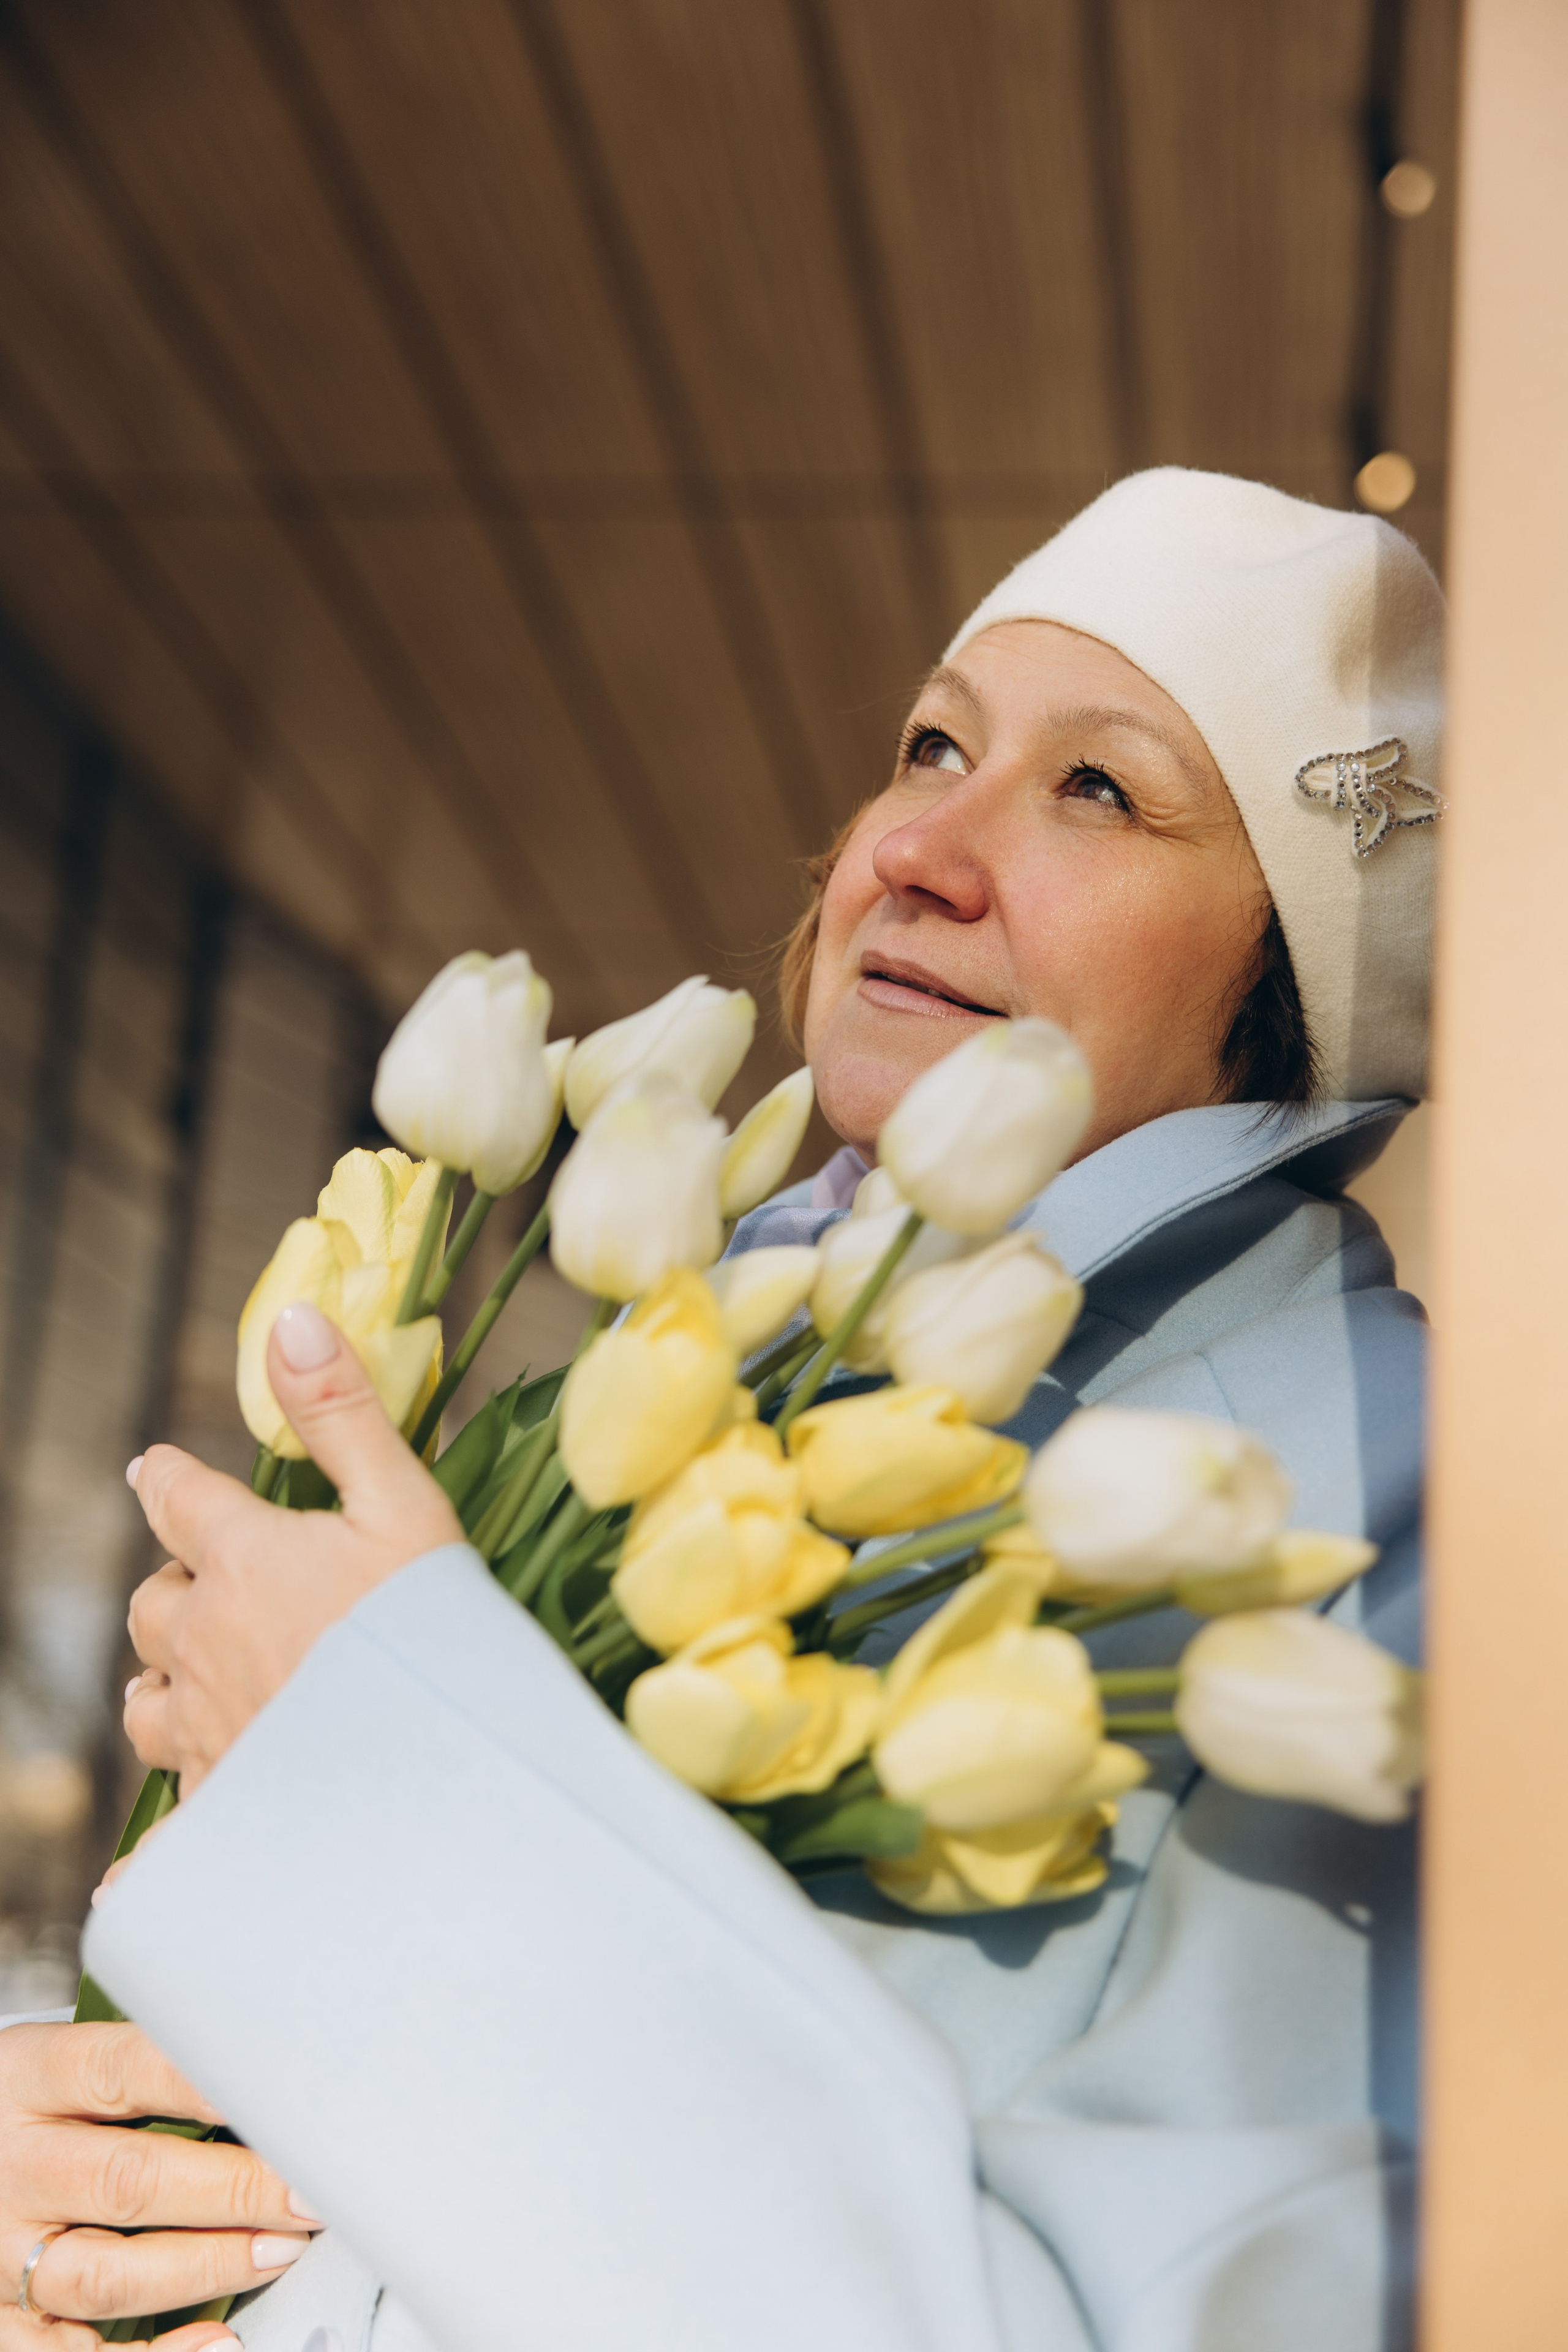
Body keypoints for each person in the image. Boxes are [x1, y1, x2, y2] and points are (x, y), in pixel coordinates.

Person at [1, 469, 1439, 2351]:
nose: (918, 847)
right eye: (934, 745)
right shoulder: (709, 1376)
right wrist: (100, 2209)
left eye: (1103, 786)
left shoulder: (1386, 1505)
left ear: (1290, 990)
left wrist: (399, 1763)